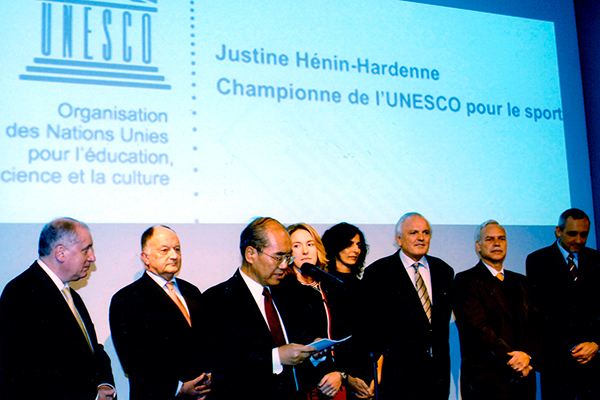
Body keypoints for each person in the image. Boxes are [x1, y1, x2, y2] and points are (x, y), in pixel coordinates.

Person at [201, 217, 317, 400]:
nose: (284, 265)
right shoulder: (218, 300)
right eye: (278, 257)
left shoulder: (288, 294)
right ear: (250, 254)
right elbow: (221, 367)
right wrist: (275, 357)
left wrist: (314, 351)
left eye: (288, 257)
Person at [0, 217, 115, 400]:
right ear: (60, 253)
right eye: (86, 250)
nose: (92, 257)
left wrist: (104, 384)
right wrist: (91, 396)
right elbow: (27, 372)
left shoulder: (70, 295)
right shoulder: (21, 293)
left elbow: (93, 349)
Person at [109, 225, 211, 399]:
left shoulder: (192, 291)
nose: (174, 256)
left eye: (177, 249)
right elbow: (133, 362)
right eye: (165, 250)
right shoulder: (126, 299)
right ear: (145, 257)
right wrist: (179, 389)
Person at [362, 212, 454, 400]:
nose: (421, 238)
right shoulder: (378, 273)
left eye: (426, 233)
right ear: (399, 239)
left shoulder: (444, 271)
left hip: (437, 376)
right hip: (398, 377)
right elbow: (371, 327)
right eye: (414, 233)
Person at [454, 220, 539, 400]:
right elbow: (477, 328)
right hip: (487, 381)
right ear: (478, 246)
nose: (497, 243)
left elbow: (535, 323)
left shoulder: (521, 282)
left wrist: (527, 355)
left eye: (501, 239)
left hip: (523, 378)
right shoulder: (465, 281)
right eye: (490, 239)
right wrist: (515, 360)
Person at [526, 208, 600, 400]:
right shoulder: (538, 260)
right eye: (572, 234)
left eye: (584, 235)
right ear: (558, 231)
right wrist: (572, 348)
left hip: (593, 361)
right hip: (557, 361)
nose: (578, 240)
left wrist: (596, 343)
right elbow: (543, 311)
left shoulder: (596, 260)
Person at [321, 223, 375, 399]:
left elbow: (376, 335)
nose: (355, 250)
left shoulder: (366, 286)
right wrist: (347, 379)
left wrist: (376, 377)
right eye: (349, 244)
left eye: (359, 245)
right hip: (338, 379)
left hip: (368, 376)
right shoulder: (323, 287)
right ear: (335, 246)